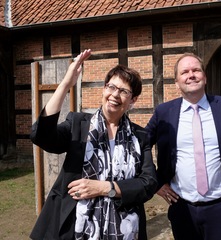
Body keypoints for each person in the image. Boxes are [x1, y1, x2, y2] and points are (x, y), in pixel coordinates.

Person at [30, 49, 158, 240]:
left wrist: (104, 187)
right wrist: (66, 84)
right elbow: (41, 136)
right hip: (74, 227)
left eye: (123, 91)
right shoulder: (78, 124)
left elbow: (148, 183)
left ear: (133, 100)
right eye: (111, 87)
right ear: (104, 89)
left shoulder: (140, 136)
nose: (115, 94)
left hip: (124, 230)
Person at [146, 52, 221, 240]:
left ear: (205, 77)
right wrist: (156, 183)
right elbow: (140, 147)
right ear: (177, 82)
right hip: (181, 206)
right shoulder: (164, 112)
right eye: (185, 72)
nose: (191, 75)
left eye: (196, 70)